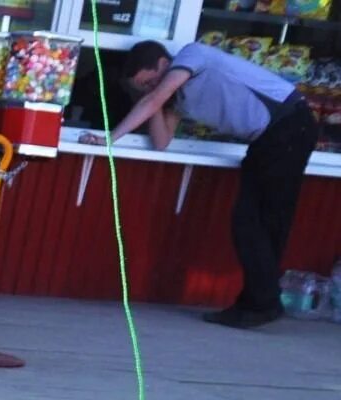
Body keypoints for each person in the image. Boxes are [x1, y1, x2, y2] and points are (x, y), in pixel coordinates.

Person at [84, 40, 317, 329]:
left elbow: (155, 98)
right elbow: (161, 141)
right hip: (271, 138)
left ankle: (262, 304)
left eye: (150, 81)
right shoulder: (177, 98)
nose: (152, 88)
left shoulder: (194, 54)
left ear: (163, 62)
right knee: (262, 223)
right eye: (144, 87)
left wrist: (110, 138)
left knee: (252, 222)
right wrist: (153, 99)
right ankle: (255, 303)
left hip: (289, 124)